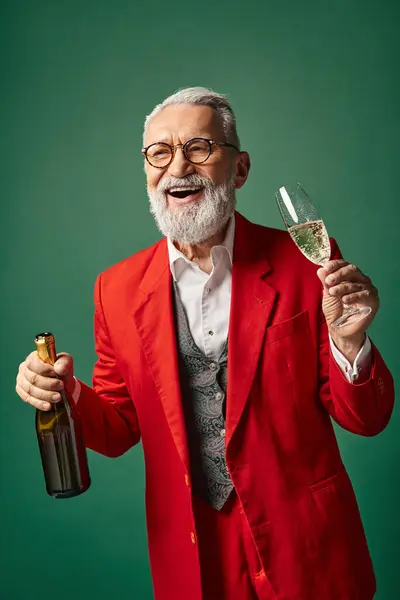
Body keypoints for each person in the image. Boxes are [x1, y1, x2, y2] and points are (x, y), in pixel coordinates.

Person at [16, 87, 394, 600]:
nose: (178, 168)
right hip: (193, 556)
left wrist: (350, 343)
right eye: (160, 153)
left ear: (239, 169)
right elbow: (119, 428)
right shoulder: (116, 289)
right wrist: (66, 392)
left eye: (199, 148)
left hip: (307, 546)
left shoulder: (306, 263)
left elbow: (366, 420)